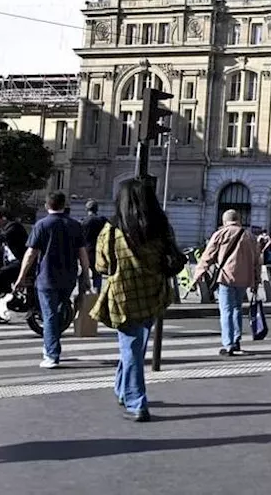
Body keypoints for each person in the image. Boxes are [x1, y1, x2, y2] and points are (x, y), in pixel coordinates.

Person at [91, 179, 173, 422]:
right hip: (153, 294)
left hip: (124, 297)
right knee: (134, 347)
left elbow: (101, 266)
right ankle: (121, 389)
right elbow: (170, 257)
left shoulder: (111, 231)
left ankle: (137, 402)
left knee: (131, 347)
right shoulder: (160, 227)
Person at [16, 193, 92, 369]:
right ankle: (51, 345)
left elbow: (31, 253)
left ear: (46, 205)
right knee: (58, 313)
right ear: (64, 205)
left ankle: (52, 354)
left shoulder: (42, 225)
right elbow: (82, 253)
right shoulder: (74, 225)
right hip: (69, 276)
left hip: (47, 276)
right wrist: (86, 274)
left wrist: (21, 277)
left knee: (49, 315)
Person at [193, 209, 262, 356]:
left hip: (226, 277)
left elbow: (208, 256)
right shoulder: (250, 236)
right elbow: (257, 262)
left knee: (226, 310)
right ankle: (236, 340)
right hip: (244, 279)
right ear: (239, 220)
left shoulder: (220, 234)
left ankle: (228, 344)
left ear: (225, 221)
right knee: (237, 308)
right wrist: (256, 281)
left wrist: (198, 274)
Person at [0, 207, 28, 312]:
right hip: (10, 263)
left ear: (4, 218)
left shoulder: (14, 226)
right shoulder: (1, 229)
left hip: (21, 262)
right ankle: (5, 302)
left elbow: (3, 237)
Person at [81, 199, 109, 291]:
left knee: (84, 273)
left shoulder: (83, 222)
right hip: (99, 250)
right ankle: (97, 295)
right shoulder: (102, 221)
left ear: (86, 209)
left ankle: (83, 295)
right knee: (97, 274)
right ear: (97, 209)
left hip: (85, 251)